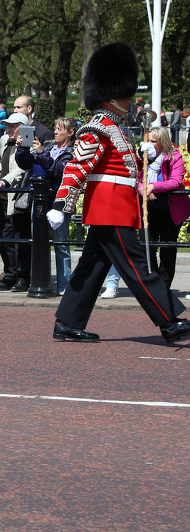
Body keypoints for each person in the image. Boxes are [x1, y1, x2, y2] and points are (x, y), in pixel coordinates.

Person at [47, 43, 188, 345]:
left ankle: (68, 322)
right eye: (126, 93)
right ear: (113, 94)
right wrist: (62, 204)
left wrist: (143, 153)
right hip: (109, 208)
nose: (129, 98)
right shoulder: (97, 126)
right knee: (138, 266)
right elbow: (77, 167)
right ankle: (169, 320)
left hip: (117, 207)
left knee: (93, 266)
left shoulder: (118, 127)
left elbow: (124, 167)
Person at [17, 117, 76, 294]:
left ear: (70, 133)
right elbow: (26, 163)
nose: (55, 132)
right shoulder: (49, 146)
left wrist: (42, 153)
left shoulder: (73, 151)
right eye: (55, 128)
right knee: (38, 241)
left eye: (60, 129)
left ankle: (64, 284)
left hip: (59, 200)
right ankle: (39, 279)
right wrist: (22, 149)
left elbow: (60, 171)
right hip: (39, 198)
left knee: (60, 243)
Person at [140, 125, 188, 290]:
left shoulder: (175, 156)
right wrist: (144, 189)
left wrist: (153, 186)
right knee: (148, 247)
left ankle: (164, 286)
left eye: (153, 141)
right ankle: (153, 284)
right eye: (148, 140)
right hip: (150, 208)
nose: (149, 143)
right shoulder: (145, 157)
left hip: (171, 209)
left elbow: (176, 181)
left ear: (162, 142)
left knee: (168, 249)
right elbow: (139, 178)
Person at [0, 112, 32, 293]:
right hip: (4, 195)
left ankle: (23, 276)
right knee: (6, 238)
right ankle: (9, 274)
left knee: (20, 238)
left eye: (13, 126)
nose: (9, 129)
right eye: (8, 126)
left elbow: (22, 168)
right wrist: (0, 171)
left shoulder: (27, 142)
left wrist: (5, 180)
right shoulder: (4, 140)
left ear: (22, 127)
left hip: (17, 196)